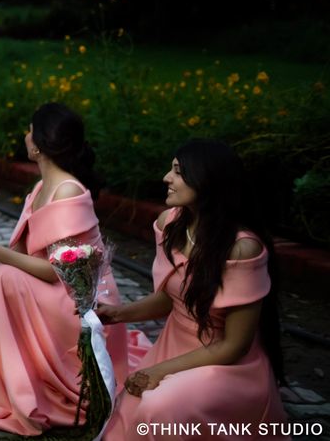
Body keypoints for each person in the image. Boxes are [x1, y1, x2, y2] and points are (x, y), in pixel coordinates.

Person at [0, 102, 130, 435]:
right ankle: (9, 381)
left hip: (78, 299)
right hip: (54, 290)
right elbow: (20, 250)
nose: (25, 136)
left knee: (3, 278)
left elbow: (56, 271)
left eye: (29, 129)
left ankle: (21, 386)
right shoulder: (40, 188)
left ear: (39, 143)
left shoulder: (67, 190)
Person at [99, 139, 287, 440]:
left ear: (207, 180)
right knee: (129, 410)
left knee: (159, 407)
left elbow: (234, 345)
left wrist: (160, 371)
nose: (166, 178)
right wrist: (117, 313)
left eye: (177, 171)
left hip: (224, 362)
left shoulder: (241, 248)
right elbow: (170, 299)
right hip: (174, 345)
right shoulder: (170, 224)